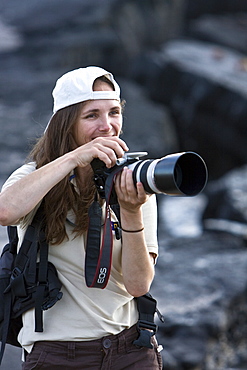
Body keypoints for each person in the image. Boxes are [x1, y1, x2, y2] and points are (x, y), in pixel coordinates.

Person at [0, 66, 162, 369]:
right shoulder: (35, 177)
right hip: (58, 354)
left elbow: (139, 284)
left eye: (114, 112)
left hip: (131, 348)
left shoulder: (133, 185)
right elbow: (5, 212)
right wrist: (76, 157)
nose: (107, 125)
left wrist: (130, 211)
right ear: (66, 124)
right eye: (92, 116)